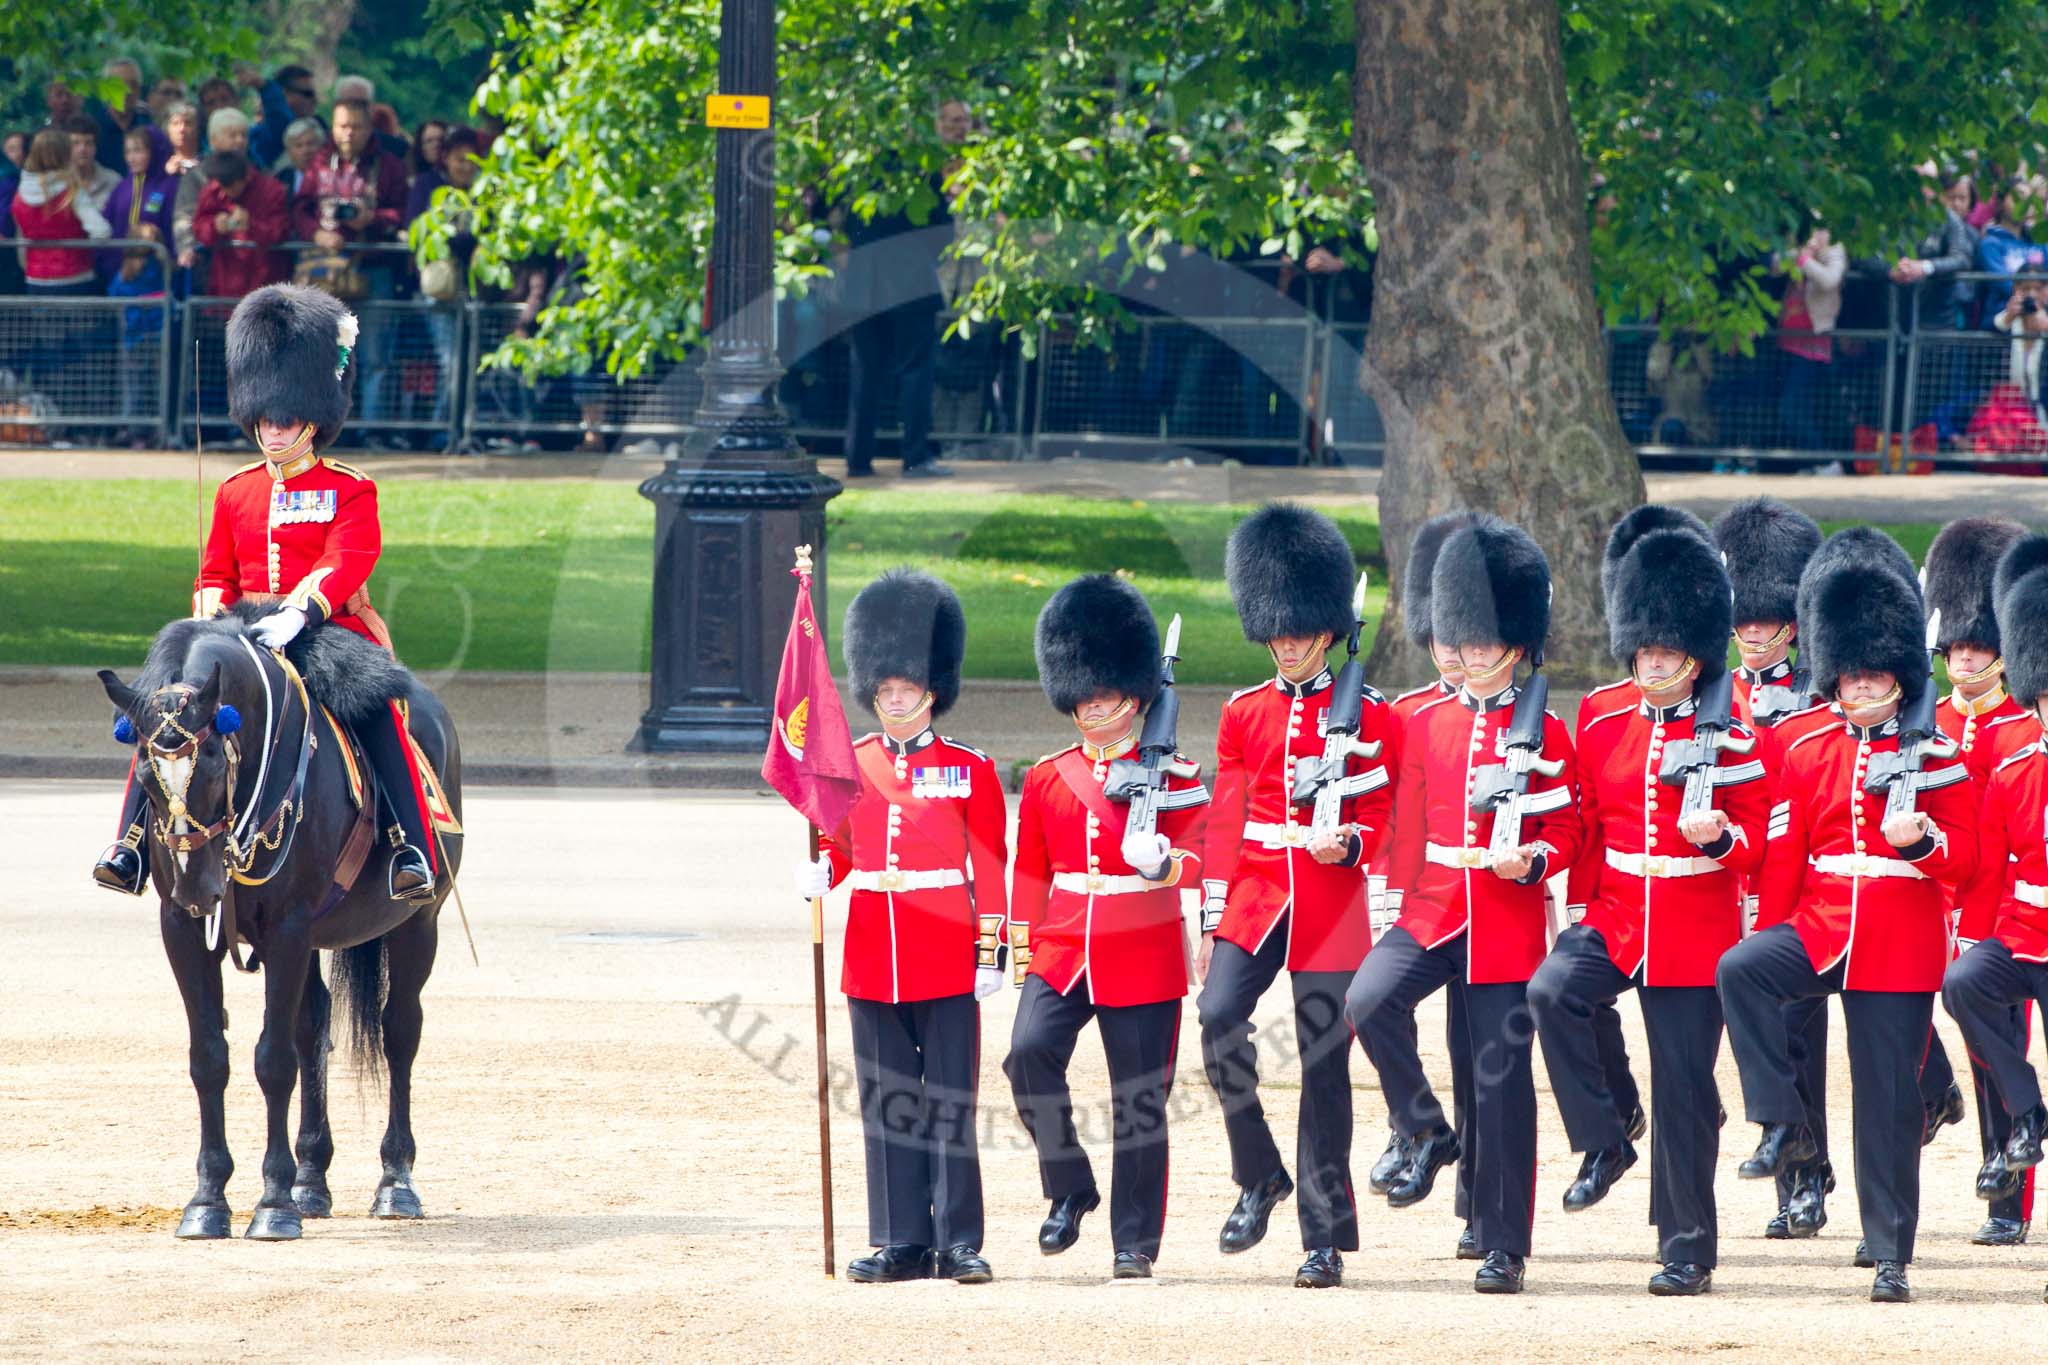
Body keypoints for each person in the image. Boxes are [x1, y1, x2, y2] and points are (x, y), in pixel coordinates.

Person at [94, 285, 438, 905]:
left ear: (314, 417)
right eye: (265, 419)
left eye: (285, 420)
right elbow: (213, 572)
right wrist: (208, 619)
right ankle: (131, 843)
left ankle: (409, 844)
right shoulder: (235, 490)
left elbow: (348, 560)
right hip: (233, 633)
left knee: (380, 708)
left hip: (322, 630)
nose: (273, 432)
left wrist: (299, 612)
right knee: (163, 712)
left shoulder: (350, 490)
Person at [1718, 536, 1978, 1304]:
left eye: (1874, 672)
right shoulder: (1801, 743)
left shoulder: (1940, 751)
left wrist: (1923, 841)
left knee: (1888, 1099)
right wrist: (1768, 924)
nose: (1861, 684)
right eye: (1851, 672)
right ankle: (1781, 1120)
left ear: (1899, 672)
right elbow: (1785, 852)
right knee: (1743, 968)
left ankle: (1891, 1251)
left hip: (1898, 938)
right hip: (1823, 922)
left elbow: (1964, 861)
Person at [1529, 511, 1768, 1298]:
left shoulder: (1735, 729)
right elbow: (1589, 825)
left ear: (1696, 652)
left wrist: (1720, 839)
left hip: (1696, 920)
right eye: (1646, 646)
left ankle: (1687, 1247)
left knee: (1687, 1086)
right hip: (1617, 910)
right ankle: (1606, 1133)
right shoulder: (1599, 715)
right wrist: (1582, 907)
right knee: (1553, 990)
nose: (1655, 659)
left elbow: (1759, 841)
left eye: (1669, 648)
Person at [1343, 516, 1581, 1295]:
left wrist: (1536, 859)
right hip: (1434, 903)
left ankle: (1504, 1240)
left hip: (1505, 913)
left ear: (1516, 644)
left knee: (1501, 1080)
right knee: (1368, 999)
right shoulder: (1422, 719)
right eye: (1465, 640)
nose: (1474, 654)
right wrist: (1386, 898)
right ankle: (1425, 1128)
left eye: (1488, 642)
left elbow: (1569, 825)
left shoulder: (1545, 726)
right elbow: (1400, 821)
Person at [1196, 504, 1398, 1289]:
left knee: (1323, 1061)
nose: (1284, 642)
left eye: (1297, 630)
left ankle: (1324, 1234)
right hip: (1256, 890)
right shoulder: (1245, 711)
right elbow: (1225, 818)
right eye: (1274, 629)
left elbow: (1386, 819)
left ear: (1327, 627)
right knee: (1216, 1019)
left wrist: (1347, 844)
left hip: (1333, 899)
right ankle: (1259, 1172)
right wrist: (1212, 918)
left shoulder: (1372, 714)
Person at [791, 569, 1007, 1285]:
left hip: (947, 953)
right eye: (883, 687)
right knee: (888, 1101)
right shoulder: (850, 764)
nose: (894, 695)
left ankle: (960, 1238)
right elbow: (846, 849)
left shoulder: (969, 768)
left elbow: (991, 867)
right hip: (873, 955)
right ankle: (900, 1238)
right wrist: (825, 872)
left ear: (931, 688)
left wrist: (992, 948)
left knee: (949, 1101)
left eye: (905, 685)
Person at [1005, 573, 1209, 1281]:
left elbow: (1203, 858)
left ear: (1134, 692)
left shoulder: (1174, 771)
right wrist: (1016, 953)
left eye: (1106, 692)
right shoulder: (1048, 776)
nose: (1094, 705)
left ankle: (1135, 1240)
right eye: (1084, 694)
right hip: (1063, 945)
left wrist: (1166, 865)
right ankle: (1069, 1187)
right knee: (1027, 1055)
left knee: (1139, 1099)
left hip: (1142, 942)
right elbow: (1028, 873)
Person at [1711, 496, 1840, 1236]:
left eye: (1765, 620)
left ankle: (1805, 1181)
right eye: (1743, 621)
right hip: (1729, 885)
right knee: (1753, 1037)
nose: (1752, 634)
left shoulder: (1819, 699)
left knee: (1800, 1036)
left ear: (1792, 619)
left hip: (1796, 889)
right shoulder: (1715, 697)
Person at [1921, 517, 2040, 1246]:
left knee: (1994, 1044)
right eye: (1958, 648)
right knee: (1907, 1031)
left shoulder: (2022, 727)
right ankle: (1939, 1102)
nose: (1965, 660)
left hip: (1997, 915)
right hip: (1929, 904)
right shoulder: (1929, 721)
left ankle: (2007, 1191)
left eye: (1979, 648)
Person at [293, 98, 409, 445]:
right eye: (342, 125)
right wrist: (317, 232)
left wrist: (370, 219)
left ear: (368, 128)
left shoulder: (388, 165)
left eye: (355, 126)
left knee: (375, 357)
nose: (348, 133)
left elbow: (402, 212)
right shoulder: (318, 164)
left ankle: (372, 430)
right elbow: (299, 209)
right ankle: (325, 430)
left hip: (373, 268)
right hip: (326, 272)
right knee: (326, 355)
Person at [102, 125, 177, 448]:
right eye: (129, 150)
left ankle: (161, 428)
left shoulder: (170, 186)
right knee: (131, 371)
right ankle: (134, 428)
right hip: (127, 287)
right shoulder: (121, 188)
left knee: (162, 371)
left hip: (159, 288)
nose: (133, 157)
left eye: (140, 150)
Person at [1776, 225, 1847, 453]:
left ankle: (1824, 460)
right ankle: (1806, 461)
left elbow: (1829, 280)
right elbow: (1775, 266)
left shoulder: (1835, 251)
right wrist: (1799, 253)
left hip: (1813, 345)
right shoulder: (1796, 248)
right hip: (1786, 341)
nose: (1816, 235)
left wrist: (1806, 260)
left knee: (1792, 408)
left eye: (1822, 229)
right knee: (1790, 408)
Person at [192, 149, 292, 299]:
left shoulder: (271, 190)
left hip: (264, 283)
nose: (227, 191)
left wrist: (251, 225)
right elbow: (199, 227)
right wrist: (214, 226)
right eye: (223, 186)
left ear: (245, 177)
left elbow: (281, 231)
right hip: (225, 285)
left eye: (232, 186)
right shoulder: (212, 191)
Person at [176, 108, 250, 281]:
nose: (240, 141)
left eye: (244, 135)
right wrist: (187, 247)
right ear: (214, 141)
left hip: (249, 267)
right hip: (208, 267)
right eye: (232, 135)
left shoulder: (256, 174)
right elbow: (184, 217)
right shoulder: (196, 178)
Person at [89, 57, 153, 174]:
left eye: (133, 85)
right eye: (120, 85)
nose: (128, 91)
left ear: (139, 90)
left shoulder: (150, 127)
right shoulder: (92, 128)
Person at [63, 114, 118, 211]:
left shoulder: (113, 181)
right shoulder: (56, 182)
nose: (82, 149)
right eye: (76, 143)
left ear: (95, 147)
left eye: (88, 143)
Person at [275, 119, 325, 196]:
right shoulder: (280, 179)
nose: (305, 151)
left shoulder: (330, 176)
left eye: (310, 144)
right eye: (298, 146)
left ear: (321, 146)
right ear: (289, 152)